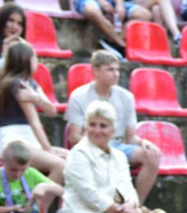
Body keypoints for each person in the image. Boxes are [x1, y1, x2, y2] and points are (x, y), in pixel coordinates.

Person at [65, 50, 161, 202]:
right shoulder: (79, 96)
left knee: (152, 156)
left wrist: (143, 142)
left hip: (118, 145)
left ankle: (136, 205)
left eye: (117, 69)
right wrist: (98, 147)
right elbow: (74, 137)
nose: (116, 74)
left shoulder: (126, 97)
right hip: (89, 144)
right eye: (110, 69)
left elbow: (130, 137)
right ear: (96, 70)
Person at [0, 41, 67, 186]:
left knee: (75, 158)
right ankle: (35, 205)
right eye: (34, 57)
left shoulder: (31, 84)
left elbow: (51, 111)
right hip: (14, 140)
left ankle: (60, 205)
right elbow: (34, 122)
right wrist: (48, 149)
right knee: (60, 165)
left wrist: (38, 98)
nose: (37, 61)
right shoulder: (17, 85)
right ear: (26, 60)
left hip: (30, 140)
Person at [70, 0, 147, 56]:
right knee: (92, 10)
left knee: (143, 14)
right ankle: (121, 45)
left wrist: (119, 5)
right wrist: (101, 0)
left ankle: (112, 41)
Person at [0, 3, 25, 117]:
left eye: (19, 23)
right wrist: (5, 49)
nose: (14, 27)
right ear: (2, 19)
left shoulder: (18, 44)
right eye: (11, 20)